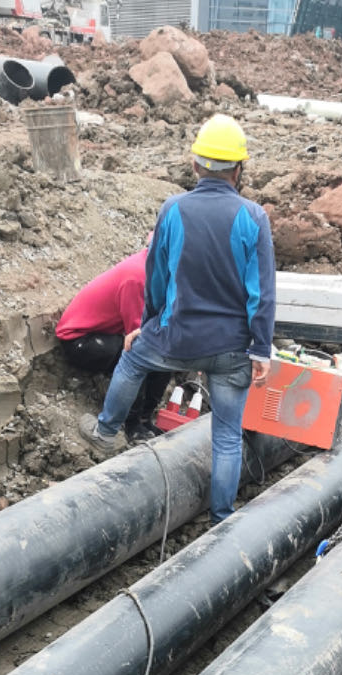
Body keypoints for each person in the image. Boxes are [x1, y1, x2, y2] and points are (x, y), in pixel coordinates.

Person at [78, 114, 276, 523]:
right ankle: (222, 517)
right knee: (227, 436)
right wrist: (260, 349)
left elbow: (157, 277)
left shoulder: (173, 209)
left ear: (195, 164)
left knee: (132, 359)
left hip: (175, 338)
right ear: (239, 169)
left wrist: (147, 324)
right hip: (232, 348)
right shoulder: (254, 217)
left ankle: (106, 432)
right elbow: (262, 291)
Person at [55, 250, 168, 436]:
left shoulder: (157, 269)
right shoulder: (138, 278)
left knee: (164, 358)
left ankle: (145, 419)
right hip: (79, 339)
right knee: (140, 356)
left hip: (104, 333)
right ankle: (131, 424)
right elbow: (139, 339)